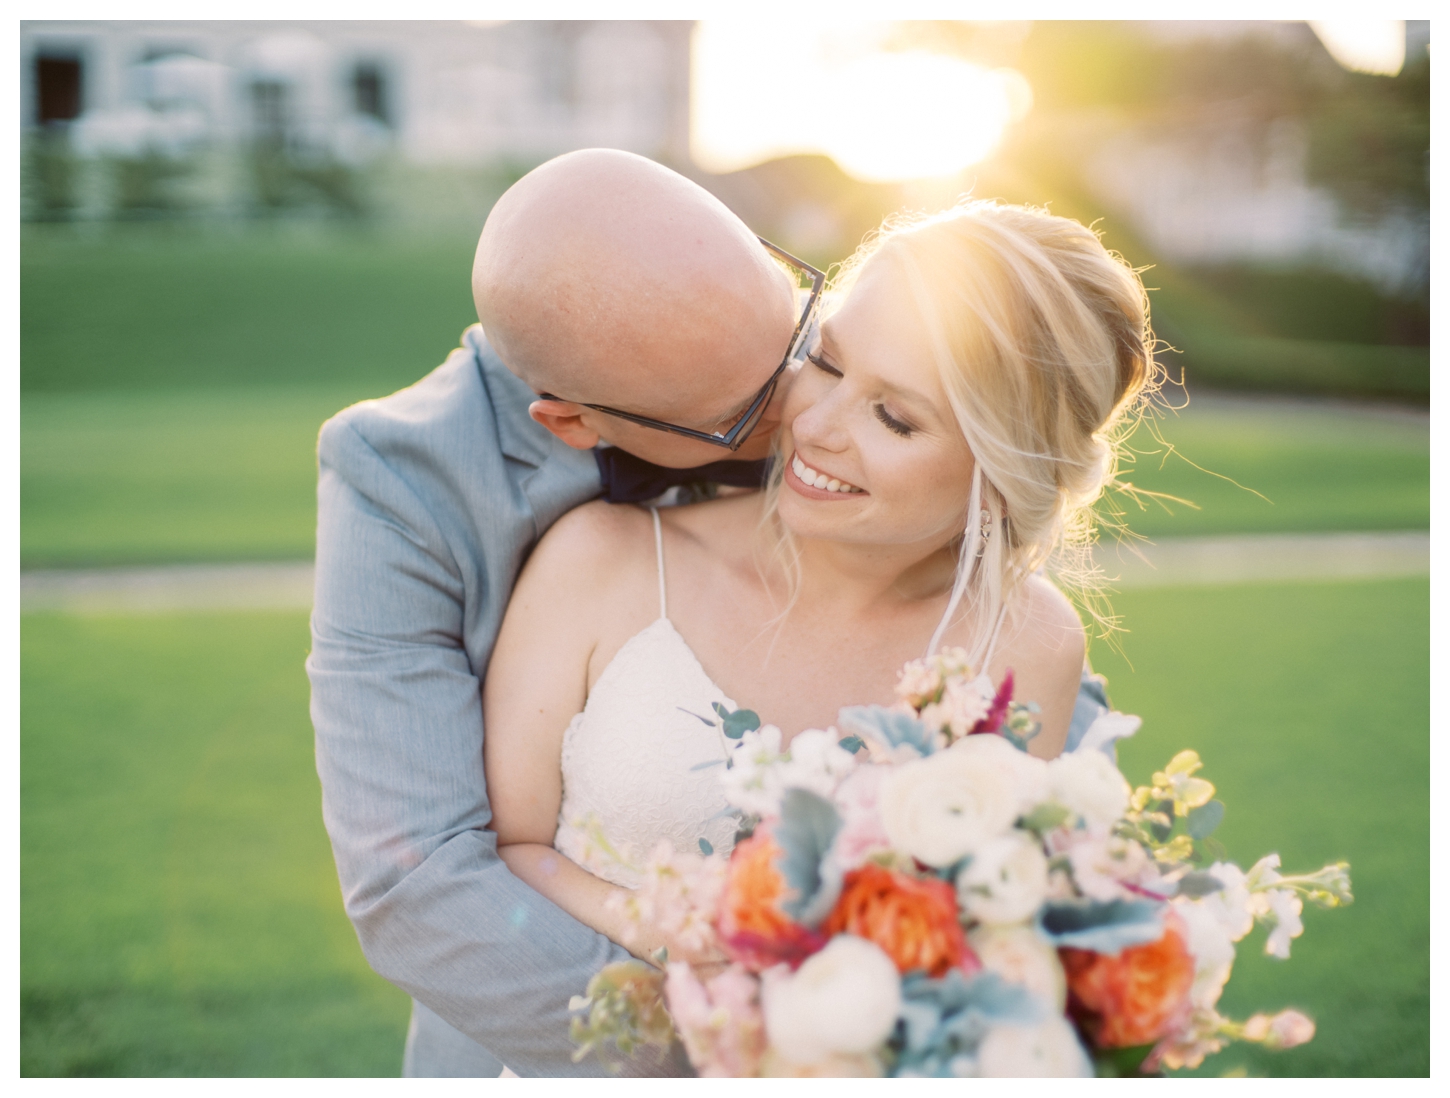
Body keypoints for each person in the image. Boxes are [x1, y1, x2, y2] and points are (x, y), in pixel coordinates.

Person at [483, 200, 1156, 1002]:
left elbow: (982, 926)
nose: (816, 424)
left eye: (896, 418)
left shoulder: (1026, 644)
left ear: (1006, 476)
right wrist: (659, 933)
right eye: (830, 363)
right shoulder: (603, 559)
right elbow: (509, 845)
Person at [307, 149, 807, 1077]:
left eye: (799, 332)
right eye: (745, 415)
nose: (812, 409)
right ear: (571, 423)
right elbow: (415, 880)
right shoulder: (400, 481)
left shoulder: (832, 360)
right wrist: (740, 1056)